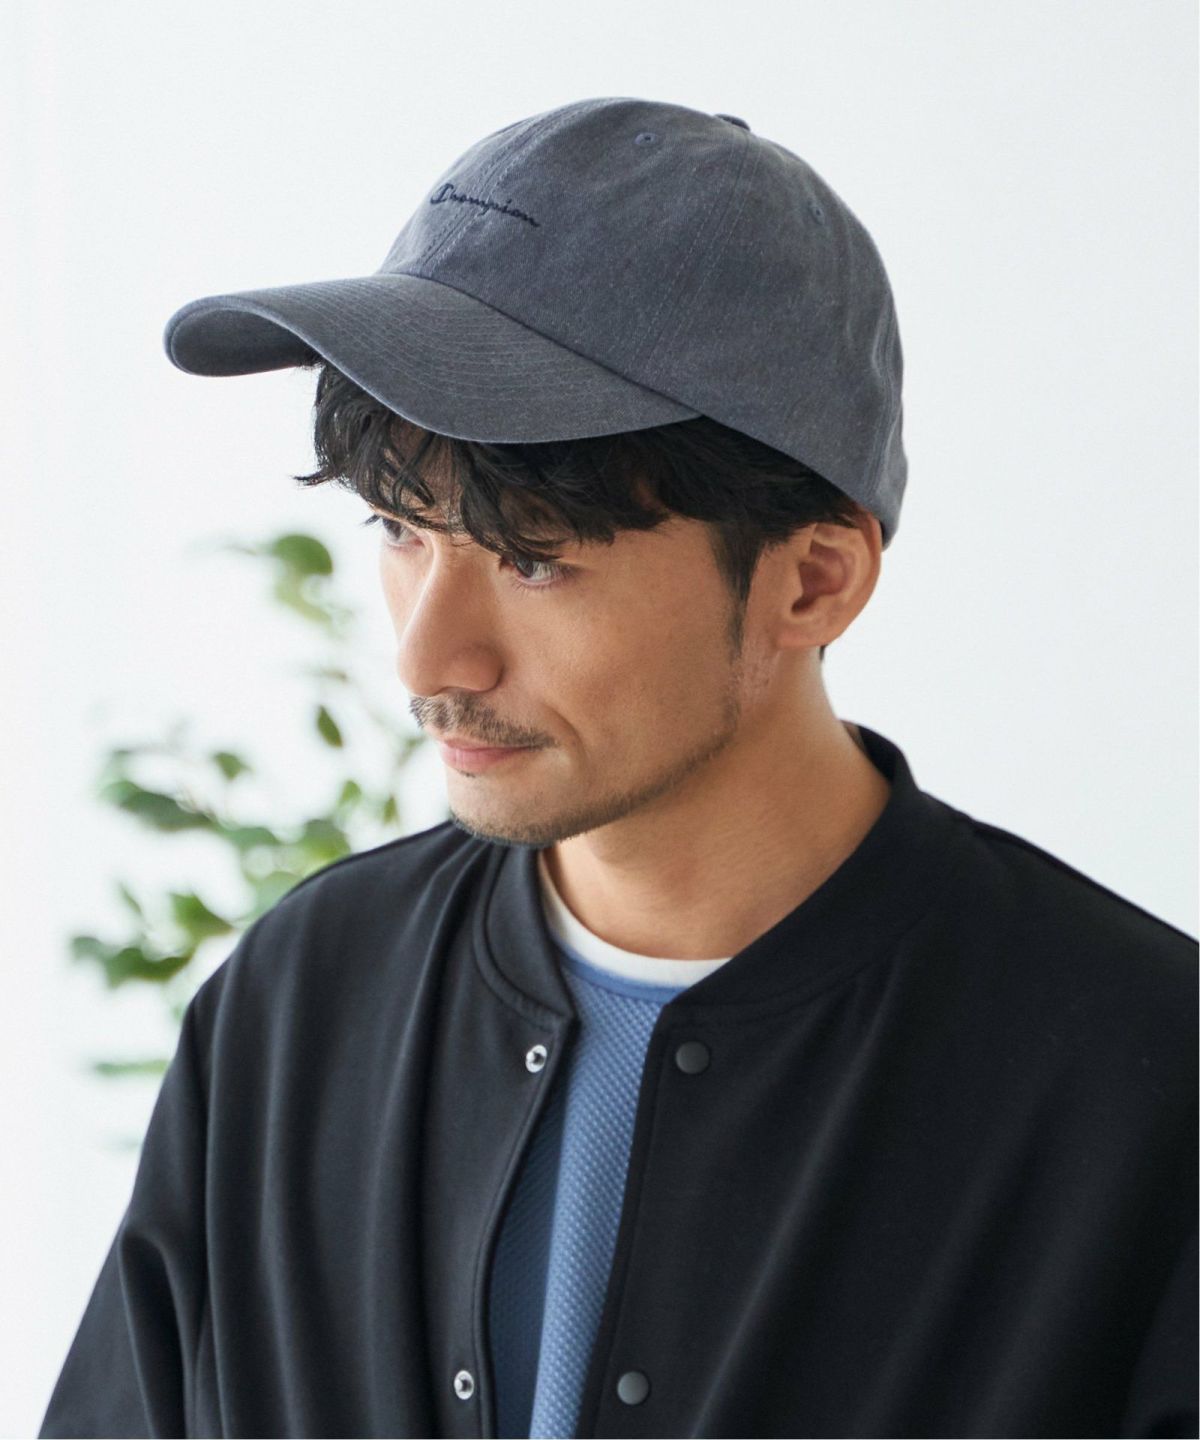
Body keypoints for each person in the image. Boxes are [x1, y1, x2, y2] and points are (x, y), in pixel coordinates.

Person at [40, 96, 1196, 1440]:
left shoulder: (1140, 1091)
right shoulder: (301, 1003)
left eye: (534, 561)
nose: (428, 658)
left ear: (814, 581)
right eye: (401, 532)